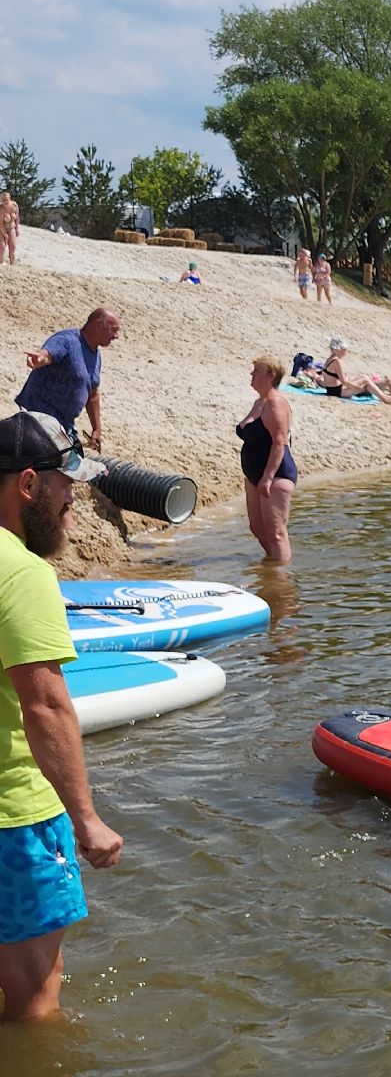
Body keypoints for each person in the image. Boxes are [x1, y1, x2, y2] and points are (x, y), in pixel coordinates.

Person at [0, 410, 123, 1021]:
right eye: (65, 481)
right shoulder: (22, 574)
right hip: (13, 816)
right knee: (35, 1000)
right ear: (28, 485)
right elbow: (45, 705)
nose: (75, 496)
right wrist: (87, 821)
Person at [17, 307, 118, 450]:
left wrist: (96, 428)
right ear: (98, 325)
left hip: (64, 423)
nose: (117, 335)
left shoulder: (95, 355)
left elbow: (93, 393)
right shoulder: (67, 340)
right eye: (114, 329)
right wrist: (39, 358)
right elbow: (48, 354)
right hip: (39, 418)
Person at [237, 356, 297, 562]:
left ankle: (280, 584)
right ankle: (272, 565)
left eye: (257, 371)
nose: (251, 374)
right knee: (257, 528)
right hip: (255, 473)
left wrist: (268, 477)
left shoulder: (276, 403)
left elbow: (280, 442)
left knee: (276, 533)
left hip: (276, 474)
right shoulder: (260, 402)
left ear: (271, 376)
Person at [310, 337, 391, 405]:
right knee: (365, 379)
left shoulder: (330, 359)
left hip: (335, 390)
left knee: (386, 382)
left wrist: (356, 382)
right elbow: (344, 382)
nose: (346, 352)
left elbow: (337, 379)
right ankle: (386, 398)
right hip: (337, 391)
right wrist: (357, 388)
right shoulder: (337, 361)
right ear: (337, 350)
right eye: (344, 349)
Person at [0, 191, 18, 265]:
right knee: (2, 245)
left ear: (9, 199)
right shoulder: (1, 209)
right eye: (3, 200)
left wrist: (17, 228)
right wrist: (5, 235)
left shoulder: (14, 205)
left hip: (11, 227)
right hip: (2, 228)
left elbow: (17, 217)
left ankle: (12, 263)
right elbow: (1, 224)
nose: (5, 202)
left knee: (12, 246)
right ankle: (1, 261)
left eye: (6, 200)